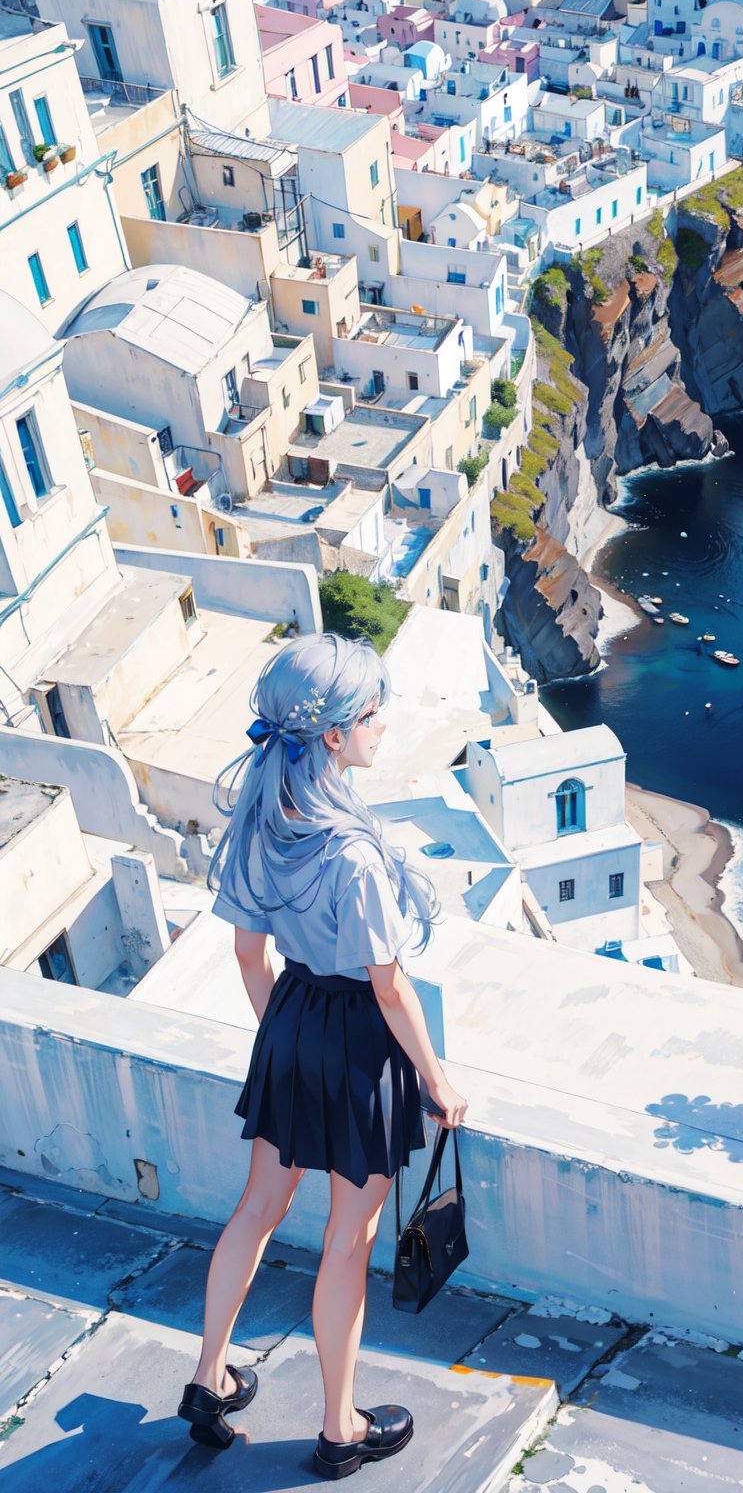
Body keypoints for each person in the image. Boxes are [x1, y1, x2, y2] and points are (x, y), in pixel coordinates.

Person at [177, 633, 467, 1480]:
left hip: (290, 1017)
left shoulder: (261, 818)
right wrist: (438, 1078)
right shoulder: (354, 855)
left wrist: (291, 1044)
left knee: (257, 1207)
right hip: (355, 1042)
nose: (383, 725)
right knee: (348, 1241)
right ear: (335, 735)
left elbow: (246, 959)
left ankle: (208, 1378)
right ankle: (340, 1428)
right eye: (372, 712)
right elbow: (388, 986)